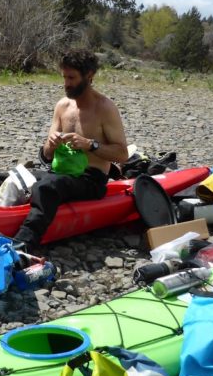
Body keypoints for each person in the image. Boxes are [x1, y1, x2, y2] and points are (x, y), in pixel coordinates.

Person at [13, 50, 129, 247]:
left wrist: (89, 144)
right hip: (60, 172)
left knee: (46, 187)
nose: (66, 83)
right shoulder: (62, 106)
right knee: (8, 178)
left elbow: (122, 154)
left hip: (90, 179)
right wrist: (50, 145)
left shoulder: (105, 108)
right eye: (64, 77)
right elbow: (47, 157)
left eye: (72, 78)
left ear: (89, 76)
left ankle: (23, 243)